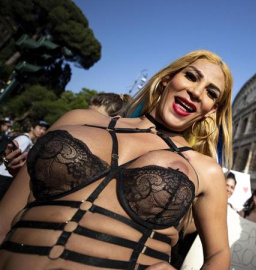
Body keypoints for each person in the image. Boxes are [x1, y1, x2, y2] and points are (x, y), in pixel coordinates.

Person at [0, 50, 233, 270]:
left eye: (211, 93)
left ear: (211, 111)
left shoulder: (205, 169)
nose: (197, 92)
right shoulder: (78, 120)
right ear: (167, 79)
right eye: (191, 77)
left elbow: (219, 254)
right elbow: (6, 216)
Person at [0, 120, 49, 200]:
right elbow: (12, 156)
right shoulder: (25, 139)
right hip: (6, 176)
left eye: (44, 130)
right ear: (32, 128)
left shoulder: (29, 141)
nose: (42, 131)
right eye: (40, 128)